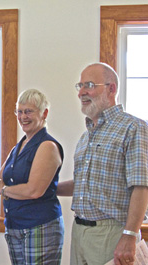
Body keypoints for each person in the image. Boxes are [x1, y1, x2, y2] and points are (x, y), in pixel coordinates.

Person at [0, 88, 64, 265]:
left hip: (40, 227)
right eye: (20, 111)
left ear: (44, 113)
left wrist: (5, 189)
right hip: (15, 227)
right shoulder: (19, 146)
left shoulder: (47, 146)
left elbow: (34, 190)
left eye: (29, 111)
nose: (23, 117)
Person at [57, 62, 148, 265]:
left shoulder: (133, 128)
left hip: (112, 234)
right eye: (79, 86)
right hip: (80, 231)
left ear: (111, 88)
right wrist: (48, 189)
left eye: (89, 84)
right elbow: (82, 184)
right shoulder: (85, 136)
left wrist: (130, 234)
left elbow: (141, 186)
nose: (81, 92)